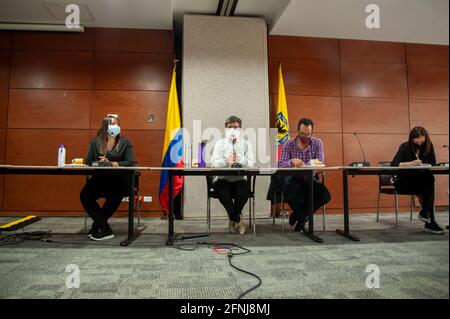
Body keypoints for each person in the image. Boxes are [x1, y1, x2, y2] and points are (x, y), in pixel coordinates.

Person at [80, 114, 135, 241]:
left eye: (117, 124)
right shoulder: (95, 142)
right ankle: (104, 227)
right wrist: (100, 162)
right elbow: (89, 161)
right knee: (85, 196)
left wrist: (115, 163)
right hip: (100, 178)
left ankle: (98, 226)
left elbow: (130, 161)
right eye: (112, 123)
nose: (116, 126)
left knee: (114, 197)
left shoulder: (124, 142)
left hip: (119, 179)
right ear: (105, 126)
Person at [278, 118, 331, 231]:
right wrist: (291, 161)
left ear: (312, 132)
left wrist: (305, 165)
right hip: (293, 178)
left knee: (325, 195)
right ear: (297, 131)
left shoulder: (317, 143)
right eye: (302, 134)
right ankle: (302, 219)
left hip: (310, 177)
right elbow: (281, 164)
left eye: (308, 135)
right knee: (289, 191)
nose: (305, 137)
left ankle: (296, 215)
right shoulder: (288, 144)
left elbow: (320, 162)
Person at [391, 126, 444, 234]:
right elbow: (394, 164)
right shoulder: (405, 147)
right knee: (429, 184)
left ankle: (426, 215)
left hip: (421, 181)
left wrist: (426, 165)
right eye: (417, 142)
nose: (419, 144)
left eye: (422, 142)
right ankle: (429, 220)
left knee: (429, 180)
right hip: (405, 182)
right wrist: (412, 163)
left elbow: (433, 163)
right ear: (411, 139)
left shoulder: (429, 146)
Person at [210, 116, 255, 235]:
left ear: (240, 129)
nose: (232, 130)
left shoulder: (246, 144)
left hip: (240, 179)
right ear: (225, 128)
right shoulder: (219, 144)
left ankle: (233, 217)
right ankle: (237, 218)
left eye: (235, 127)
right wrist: (226, 160)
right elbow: (214, 164)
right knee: (223, 193)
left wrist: (240, 159)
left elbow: (251, 163)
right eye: (230, 127)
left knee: (243, 193)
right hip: (223, 179)